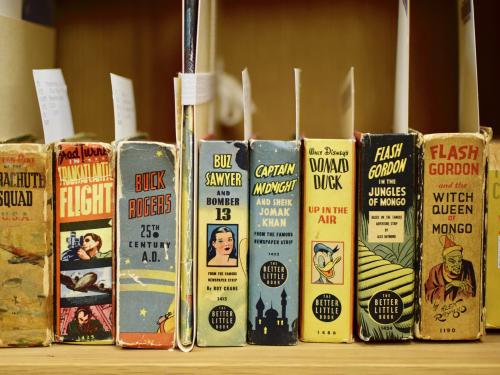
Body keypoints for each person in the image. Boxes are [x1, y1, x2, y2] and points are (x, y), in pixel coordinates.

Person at [425, 235, 476, 304]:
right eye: (452, 261)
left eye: (459, 260)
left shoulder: (467, 266)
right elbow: (428, 296)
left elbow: (471, 295)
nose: (457, 265)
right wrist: (451, 285)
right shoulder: (435, 271)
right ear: (445, 261)